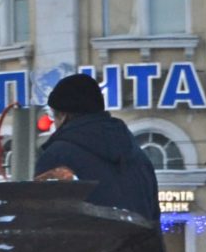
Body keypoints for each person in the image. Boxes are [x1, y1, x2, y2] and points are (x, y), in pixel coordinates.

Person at [33, 73, 161, 222]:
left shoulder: (57, 156)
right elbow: (153, 220)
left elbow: (44, 222)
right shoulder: (139, 158)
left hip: (87, 245)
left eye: (54, 117)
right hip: (137, 245)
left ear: (63, 116)